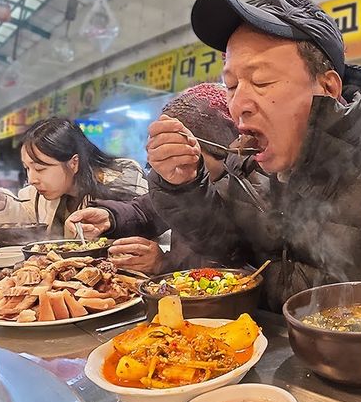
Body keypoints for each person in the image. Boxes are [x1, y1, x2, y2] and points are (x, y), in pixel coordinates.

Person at [146, 0, 361, 310]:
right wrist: (183, 185)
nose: (238, 105)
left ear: (327, 87)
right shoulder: (248, 159)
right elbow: (224, 244)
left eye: (261, 81)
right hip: (258, 345)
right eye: (231, 86)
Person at [66, 83, 245, 274]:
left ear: (221, 148)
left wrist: (165, 264)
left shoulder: (246, 191)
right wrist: (110, 218)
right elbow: (146, 211)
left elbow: (236, 263)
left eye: (181, 151)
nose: (173, 165)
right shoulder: (179, 183)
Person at [0, 117, 147, 237]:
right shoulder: (38, 194)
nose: (32, 179)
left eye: (40, 168)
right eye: (27, 168)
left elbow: (143, 222)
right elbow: (28, 220)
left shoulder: (122, 179)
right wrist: (2, 206)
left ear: (73, 163)